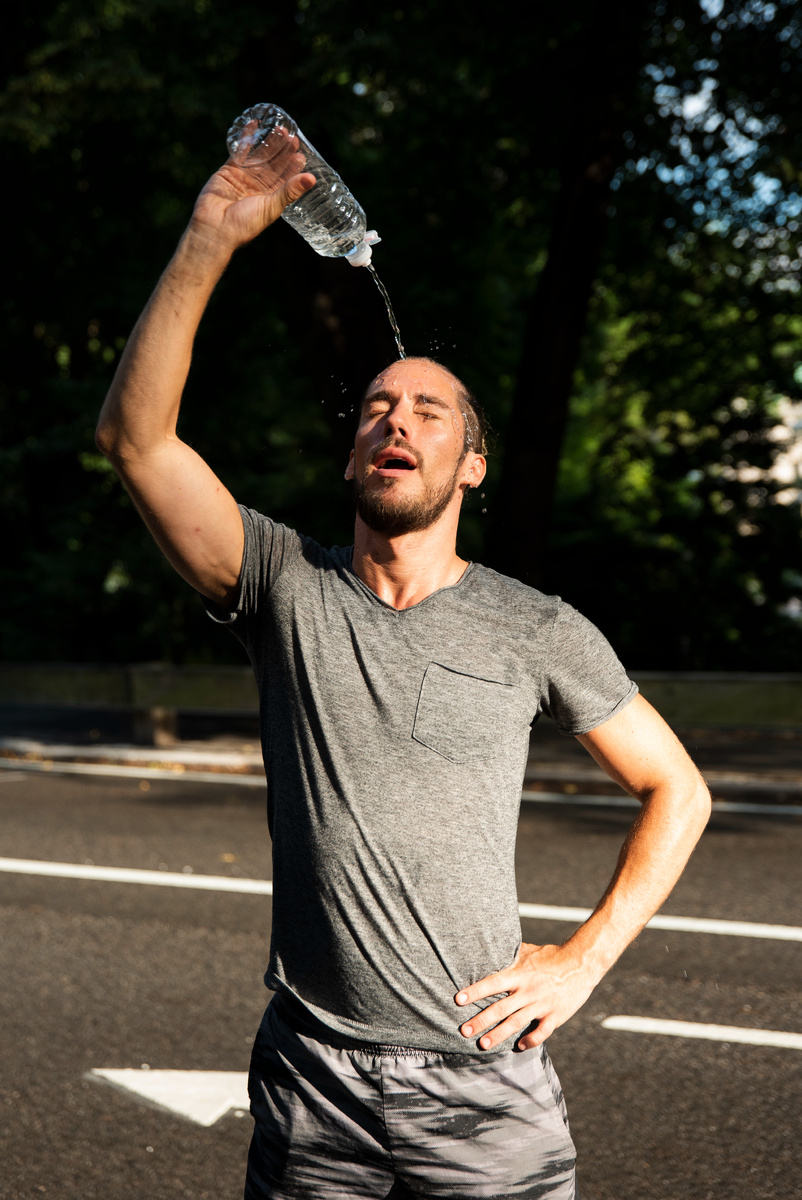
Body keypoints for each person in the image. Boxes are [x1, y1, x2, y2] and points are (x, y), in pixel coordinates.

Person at [96, 130, 712, 1200]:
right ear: (354, 454)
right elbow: (138, 441)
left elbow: (679, 788)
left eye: (430, 410)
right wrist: (210, 235)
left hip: (482, 1086)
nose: (399, 418)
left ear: (470, 464)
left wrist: (583, 959)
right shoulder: (284, 585)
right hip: (308, 1079)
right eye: (380, 406)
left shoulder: (535, 627)